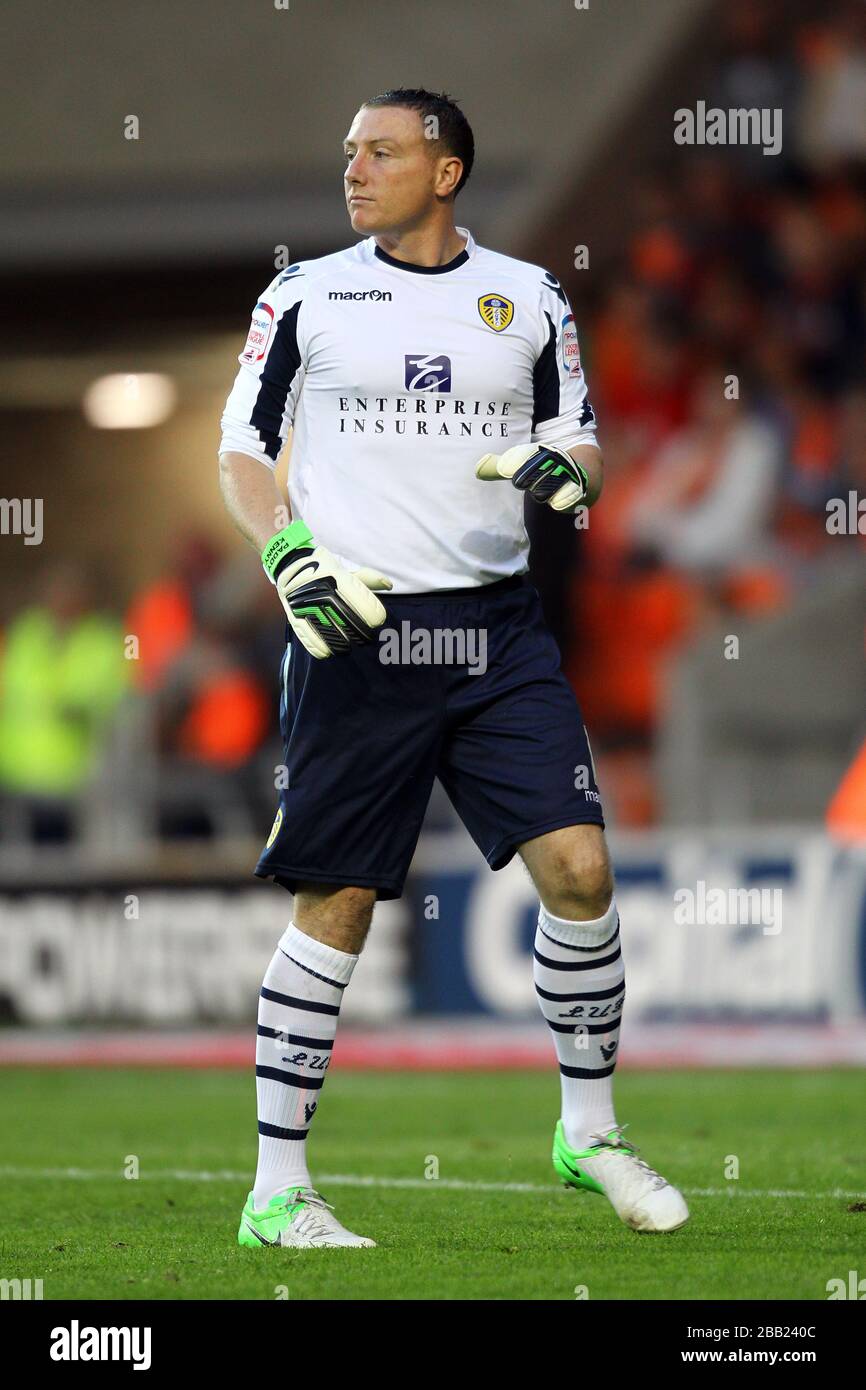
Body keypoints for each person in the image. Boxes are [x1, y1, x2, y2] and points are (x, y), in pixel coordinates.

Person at [218, 88, 688, 1249]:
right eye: (348, 152)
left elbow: (575, 432)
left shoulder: (527, 297)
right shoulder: (303, 293)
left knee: (579, 869)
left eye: (381, 150)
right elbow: (239, 451)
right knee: (336, 903)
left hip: (495, 632)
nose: (355, 167)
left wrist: (569, 471)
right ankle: (278, 1190)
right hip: (355, 632)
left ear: (446, 170)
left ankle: (588, 1130)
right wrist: (287, 552)